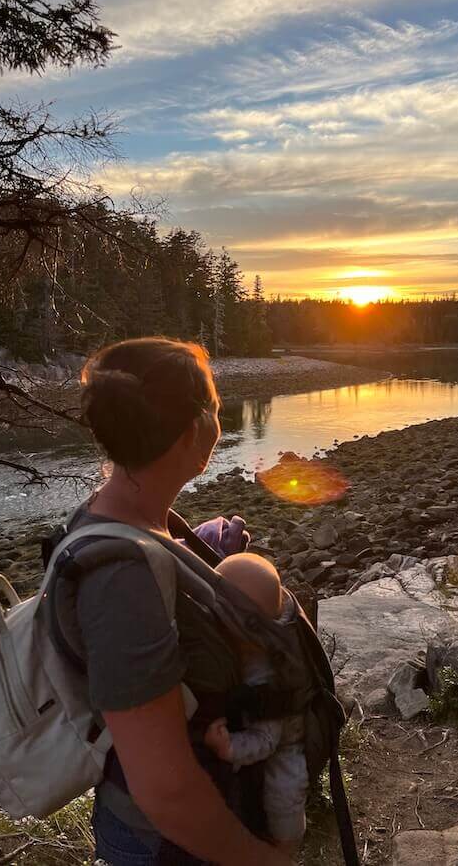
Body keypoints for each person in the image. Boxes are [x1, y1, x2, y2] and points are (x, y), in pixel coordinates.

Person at [56, 337, 290, 866]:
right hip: (168, 846)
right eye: (216, 408)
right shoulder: (122, 580)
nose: (220, 420)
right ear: (192, 431)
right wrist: (261, 860)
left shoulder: (133, 521)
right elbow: (166, 791)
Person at [203, 554, 309, 860]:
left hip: (284, 742)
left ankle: (284, 852)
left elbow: (267, 740)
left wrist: (230, 748)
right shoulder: (253, 641)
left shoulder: (266, 674)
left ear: (249, 624)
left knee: (284, 796)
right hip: (262, 724)